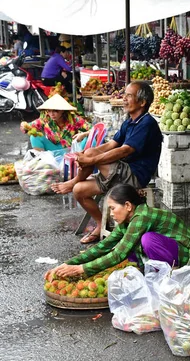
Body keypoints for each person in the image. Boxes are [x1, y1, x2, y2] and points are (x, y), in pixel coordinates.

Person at [51, 81, 162, 244]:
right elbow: (112, 144)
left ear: (142, 102)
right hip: (119, 174)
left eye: (129, 96)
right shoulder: (130, 121)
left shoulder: (146, 123)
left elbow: (125, 150)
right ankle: (98, 224)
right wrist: (88, 153)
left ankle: (74, 180)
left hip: (135, 176)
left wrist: (91, 159)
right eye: (124, 95)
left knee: (91, 157)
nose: (124, 99)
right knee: (79, 190)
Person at [45, 184, 190, 278]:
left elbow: (118, 254)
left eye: (113, 209)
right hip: (172, 250)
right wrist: (68, 264)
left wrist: (81, 269)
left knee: (146, 240)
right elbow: (104, 245)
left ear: (128, 206)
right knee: (129, 243)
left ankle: (168, 275)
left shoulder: (143, 216)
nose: (111, 214)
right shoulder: (129, 220)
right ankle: (148, 272)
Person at [20, 94, 90, 152]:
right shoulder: (46, 119)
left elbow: (95, 129)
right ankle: (43, 160)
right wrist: (24, 126)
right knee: (34, 137)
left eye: (55, 111)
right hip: (52, 150)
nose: (52, 114)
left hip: (72, 152)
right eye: (49, 111)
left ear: (62, 110)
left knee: (88, 139)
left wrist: (83, 134)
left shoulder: (74, 119)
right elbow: (28, 126)